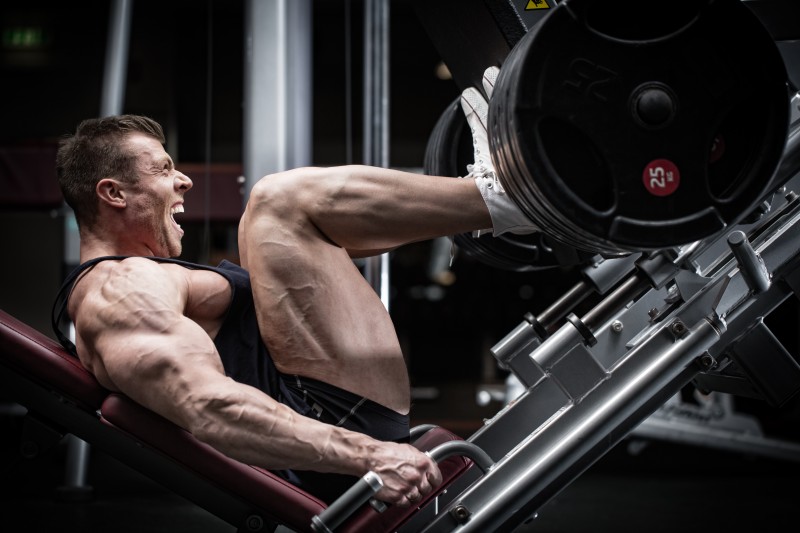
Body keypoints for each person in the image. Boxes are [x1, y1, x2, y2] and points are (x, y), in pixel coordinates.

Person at [51, 67, 537, 506]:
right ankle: (500, 201)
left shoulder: (139, 279)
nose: (183, 181)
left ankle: (488, 210)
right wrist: (370, 456)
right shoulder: (117, 291)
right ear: (113, 193)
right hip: (332, 435)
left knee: (273, 227)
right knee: (276, 202)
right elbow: (208, 405)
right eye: (161, 169)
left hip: (331, 419)